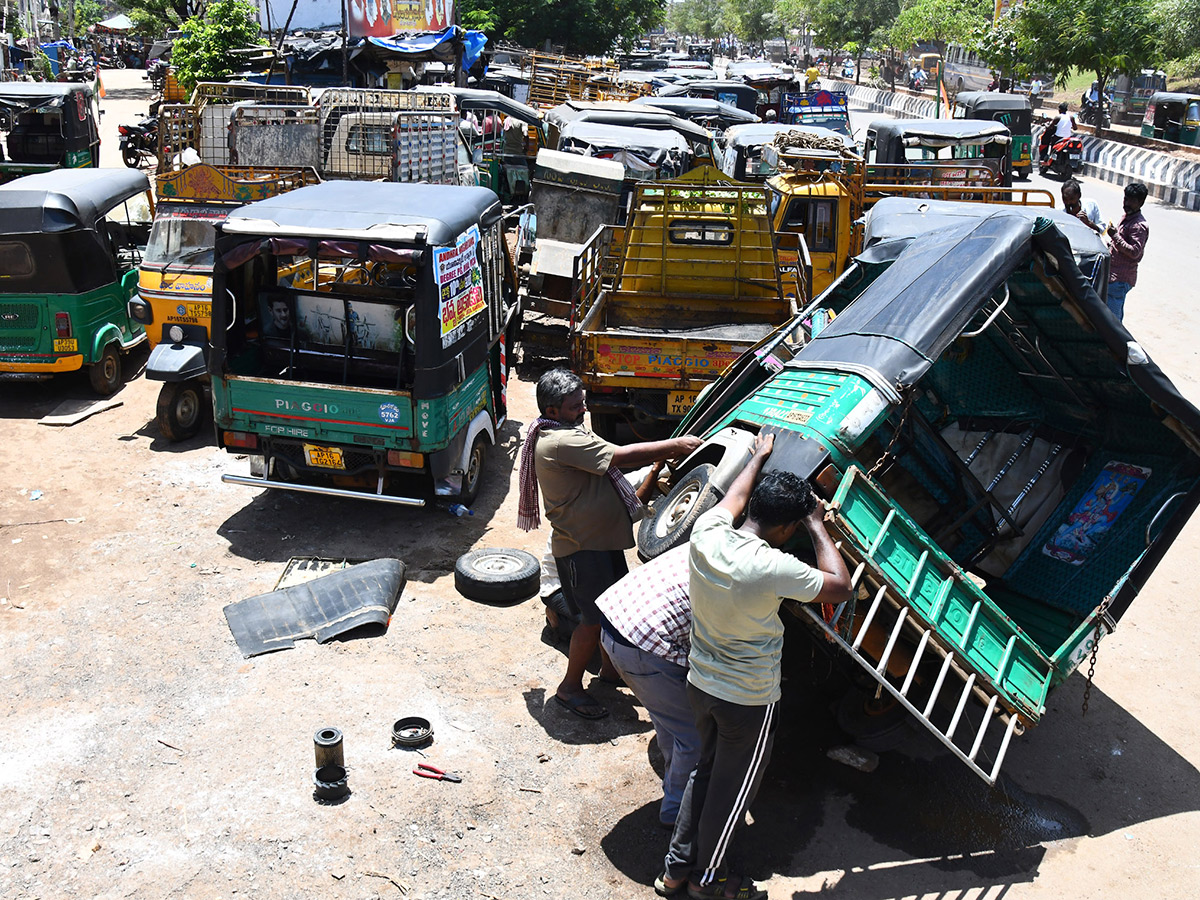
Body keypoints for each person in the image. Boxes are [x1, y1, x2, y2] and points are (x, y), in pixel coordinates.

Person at [658, 433, 852, 900]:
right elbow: (840, 586)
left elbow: (734, 496)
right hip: (746, 699)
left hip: (701, 684)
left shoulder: (708, 532)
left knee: (704, 775)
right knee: (732, 794)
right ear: (785, 528)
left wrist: (756, 456)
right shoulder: (774, 567)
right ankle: (709, 883)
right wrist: (817, 524)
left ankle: (675, 871)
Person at [518, 369, 702, 721]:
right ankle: (570, 687)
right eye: (576, 407)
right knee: (592, 620)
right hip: (583, 550)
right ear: (553, 411)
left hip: (600, 543)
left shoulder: (565, 430)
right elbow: (619, 455)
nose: (583, 411)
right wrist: (674, 445)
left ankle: (610, 672)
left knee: (610, 614)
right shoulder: (560, 441)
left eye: (584, 403)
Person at [1105, 182, 1149, 321]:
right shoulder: (1127, 217)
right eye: (1125, 199)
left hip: (1120, 277)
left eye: (1131, 201)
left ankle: (1115, 342)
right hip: (1113, 275)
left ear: (1141, 202)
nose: (1127, 203)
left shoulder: (1138, 226)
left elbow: (1134, 252)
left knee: (1112, 320)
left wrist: (1115, 236)